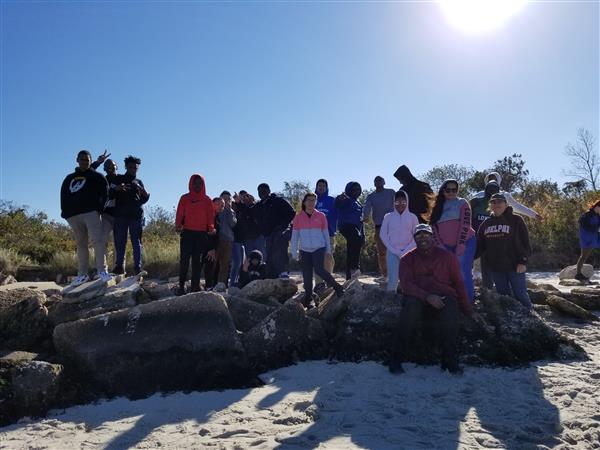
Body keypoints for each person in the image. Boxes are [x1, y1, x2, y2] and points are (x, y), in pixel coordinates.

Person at [389, 224, 473, 374]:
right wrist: (427, 296)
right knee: (408, 313)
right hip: (418, 296)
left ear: (432, 237)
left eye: (426, 235)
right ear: (414, 239)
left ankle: (450, 361)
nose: (423, 238)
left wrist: (467, 309)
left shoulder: (448, 257)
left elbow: (459, 283)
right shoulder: (407, 259)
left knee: (451, 314)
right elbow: (406, 285)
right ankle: (395, 360)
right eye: (419, 235)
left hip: (443, 296)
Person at [60, 150, 111, 285]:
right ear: (77, 160)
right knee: (81, 244)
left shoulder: (96, 176)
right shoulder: (69, 178)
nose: (84, 162)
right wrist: (65, 213)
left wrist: (99, 208)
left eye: (87, 160)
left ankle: (101, 271)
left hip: (91, 213)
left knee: (98, 241)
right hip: (73, 216)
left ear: (90, 161)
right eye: (82, 159)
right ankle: (82, 274)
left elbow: (105, 191)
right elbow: (63, 195)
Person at [476, 193, 532, 309]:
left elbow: (525, 242)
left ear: (506, 204)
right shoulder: (485, 224)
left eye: (500, 201)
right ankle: (511, 321)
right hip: (496, 268)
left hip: (515, 266)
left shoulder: (516, 219)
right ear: (490, 205)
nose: (496, 204)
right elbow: (479, 246)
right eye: (493, 202)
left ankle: (532, 318)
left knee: (521, 295)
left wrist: (523, 261)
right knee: (504, 297)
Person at [291, 193, 344, 308]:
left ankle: (337, 287)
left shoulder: (321, 216)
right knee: (307, 274)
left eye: (313, 200)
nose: (311, 203)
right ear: (304, 202)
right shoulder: (298, 217)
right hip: (304, 250)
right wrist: (294, 251)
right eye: (309, 200)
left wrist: (328, 250)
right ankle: (309, 298)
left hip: (319, 248)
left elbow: (325, 234)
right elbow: (295, 236)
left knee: (320, 269)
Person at [430, 179, 477, 303]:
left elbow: (465, 224)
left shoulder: (462, 203)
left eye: (454, 190)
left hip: (466, 241)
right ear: (443, 190)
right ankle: (453, 300)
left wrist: (460, 245)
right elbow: (433, 228)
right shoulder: (436, 206)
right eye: (448, 190)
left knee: (462, 271)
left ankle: (467, 302)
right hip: (444, 246)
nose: (451, 192)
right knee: (447, 274)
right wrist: (440, 246)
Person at [175, 174, 215, 295]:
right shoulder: (184, 198)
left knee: (197, 263)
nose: (197, 185)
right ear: (191, 184)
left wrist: (211, 228)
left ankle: (195, 288)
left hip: (201, 235)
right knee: (184, 261)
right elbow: (180, 213)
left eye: (199, 183)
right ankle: (181, 287)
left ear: (203, 185)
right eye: (195, 183)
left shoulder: (207, 200)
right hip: (187, 234)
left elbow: (210, 217)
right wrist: (178, 225)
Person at [112, 155, 150, 275]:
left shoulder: (139, 182)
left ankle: (138, 268)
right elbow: (110, 192)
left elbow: (146, 197)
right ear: (126, 167)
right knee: (120, 241)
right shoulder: (119, 179)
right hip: (120, 215)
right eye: (131, 167)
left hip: (136, 216)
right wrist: (118, 189)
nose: (133, 169)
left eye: (135, 167)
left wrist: (140, 189)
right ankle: (119, 267)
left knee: (136, 242)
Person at [379, 190, 418, 293]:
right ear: (394, 202)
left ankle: (409, 302)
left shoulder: (413, 217)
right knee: (393, 279)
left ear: (407, 202)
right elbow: (383, 234)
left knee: (408, 279)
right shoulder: (388, 217)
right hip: (392, 252)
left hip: (410, 253)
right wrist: (394, 250)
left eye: (403, 202)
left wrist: (406, 250)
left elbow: (416, 236)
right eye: (397, 202)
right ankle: (390, 303)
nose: (400, 205)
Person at [254, 183, 296, 279]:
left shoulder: (278, 201)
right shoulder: (259, 205)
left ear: (269, 191)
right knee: (269, 253)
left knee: (280, 251)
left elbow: (292, 212)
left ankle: (283, 272)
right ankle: (272, 275)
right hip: (268, 234)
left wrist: (283, 226)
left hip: (280, 232)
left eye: (264, 191)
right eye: (259, 191)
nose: (262, 193)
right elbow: (252, 213)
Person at [363, 176, 396, 282]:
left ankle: (398, 275)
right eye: (376, 181)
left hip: (393, 225)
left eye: (380, 181)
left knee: (395, 251)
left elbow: (399, 204)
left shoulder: (391, 192)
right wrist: (366, 216)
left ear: (384, 182)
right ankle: (385, 275)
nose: (378, 183)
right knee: (382, 253)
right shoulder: (371, 196)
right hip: (379, 227)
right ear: (374, 184)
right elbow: (367, 208)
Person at [471, 171, 542, 220]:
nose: (492, 181)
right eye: (490, 179)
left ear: (498, 180)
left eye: (494, 179)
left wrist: (534, 215)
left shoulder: (505, 195)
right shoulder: (479, 195)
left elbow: (518, 207)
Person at [469, 180, 500, 289]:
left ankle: (488, 291)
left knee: (488, 267)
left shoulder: (499, 206)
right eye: (489, 188)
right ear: (485, 190)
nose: (492, 191)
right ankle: (466, 287)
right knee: (468, 263)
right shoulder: (475, 202)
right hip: (472, 239)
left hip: (490, 241)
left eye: (494, 189)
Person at [335, 182, 365, 280]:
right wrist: (339, 198)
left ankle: (349, 276)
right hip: (346, 226)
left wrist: (363, 235)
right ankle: (355, 267)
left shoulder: (359, 203)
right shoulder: (347, 200)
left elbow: (361, 221)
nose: (356, 191)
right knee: (356, 238)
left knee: (352, 247)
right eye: (354, 189)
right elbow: (337, 204)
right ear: (349, 190)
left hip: (356, 228)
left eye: (358, 189)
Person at [314, 179, 337, 293]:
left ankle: (328, 281)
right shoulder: (311, 200)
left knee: (328, 257)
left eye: (323, 186)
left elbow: (340, 212)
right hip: (314, 234)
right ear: (316, 187)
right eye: (319, 186)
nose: (321, 187)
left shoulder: (332, 200)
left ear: (327, 187)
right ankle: (319, 284)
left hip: (329, 233)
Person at [214, 191, 237, 290]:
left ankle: (222, 286)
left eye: (228, 199)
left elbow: (233, 224)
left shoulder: (231, 211)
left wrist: (229, 210)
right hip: (217, 240)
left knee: (225, 265)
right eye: (224, 199)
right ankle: (212, 285)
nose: (227, 201)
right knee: (214, 264)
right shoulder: (216, 210)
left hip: (228, 241)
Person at [575, 200, 600, 281]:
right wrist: (595, 229)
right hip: (586, 237)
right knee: (583, 256)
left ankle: (578, 274)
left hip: (594, 237)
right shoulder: (588, 214)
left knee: (584, 256)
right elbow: (581, 222)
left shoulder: (598, 215)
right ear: (597, 207)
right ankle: (578, 274)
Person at [204, 197, 223, 290]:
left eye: (223, 206)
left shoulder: (217, 216)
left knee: (215, 266)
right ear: (213, 203)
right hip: (207, 247)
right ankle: (208, 287)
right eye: (219, 204)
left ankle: (214, 286)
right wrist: (210, 248)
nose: (221, 207)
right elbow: (206, 233)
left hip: (215, 247)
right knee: (209, 265)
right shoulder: (208, 215)